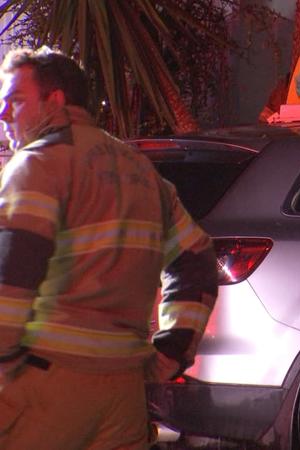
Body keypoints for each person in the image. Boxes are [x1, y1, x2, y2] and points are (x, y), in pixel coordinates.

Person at [0, 47, 218, 449]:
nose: (3, 115)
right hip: (123, 393)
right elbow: (198, 262)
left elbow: (11, 273)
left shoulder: (38, 164)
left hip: (45, 385)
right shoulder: (140, 170)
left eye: (15, 100)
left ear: (56, 100)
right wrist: (169, 355)